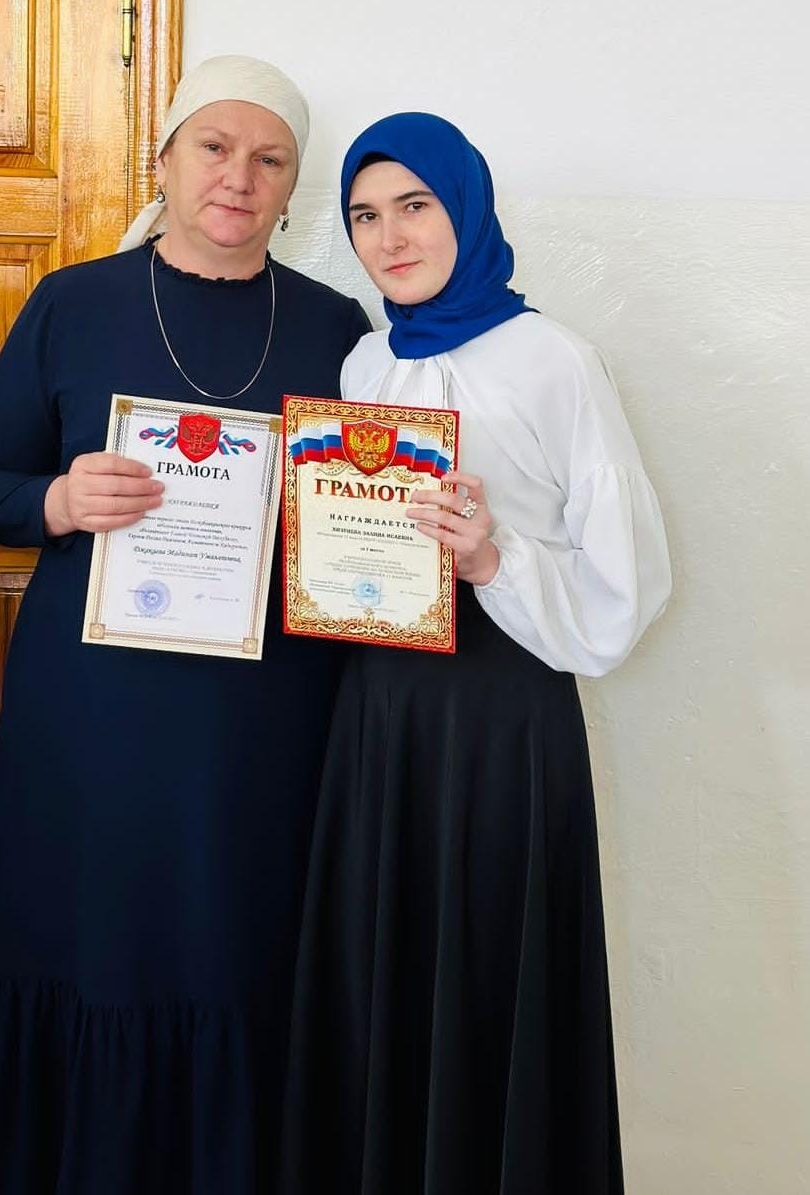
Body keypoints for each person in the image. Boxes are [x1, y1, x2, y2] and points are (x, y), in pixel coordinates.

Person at [0, 56, 369, 1195]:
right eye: (214, 148)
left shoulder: (338, 328)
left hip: (262, 716)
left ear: (292, 186)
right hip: (92, 710)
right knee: (86, 945)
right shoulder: (71, 303)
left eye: (269, 159)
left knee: (235, 945)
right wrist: (56, 500)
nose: (238, 177)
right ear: (164, 159)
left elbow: (355, 529)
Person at [280, 113, 671, 1195]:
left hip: (500, 714)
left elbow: (626, 583)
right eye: (365, 215)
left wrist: (492, 558)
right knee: (383, 968)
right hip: (378, 712)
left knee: (492, 961)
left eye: (415, 206)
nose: (390, 238)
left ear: (466, 208)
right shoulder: (364, 360)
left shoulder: (553, 361)